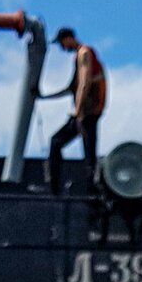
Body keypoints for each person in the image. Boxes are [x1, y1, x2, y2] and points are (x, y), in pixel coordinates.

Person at [40, 27, 107, 194]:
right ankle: (87, 190)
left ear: (68, 38)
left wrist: (77, 112)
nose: (62, 48)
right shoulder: (79, 56)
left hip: (87, 113)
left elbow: (85, 83)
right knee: (86, 152)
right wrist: (43, 96)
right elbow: (71, 88)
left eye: (62, 43)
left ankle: (56, 189)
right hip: (86, 113)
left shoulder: (84, 53)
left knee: (59, 143)